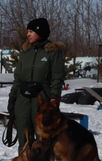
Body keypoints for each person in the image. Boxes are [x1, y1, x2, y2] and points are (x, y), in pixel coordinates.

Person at [6, 18, 65, 152]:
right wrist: (13, 97)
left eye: (31, 31)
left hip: (42, 99)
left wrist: (54, 97)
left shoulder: (52, 52)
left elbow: (57, 77)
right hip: (23, 99)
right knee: (23, 137)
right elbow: (18, 77)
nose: (28, 34)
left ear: (40, 32)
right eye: (28, 31)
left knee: (43, 139)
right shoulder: (26, 52)